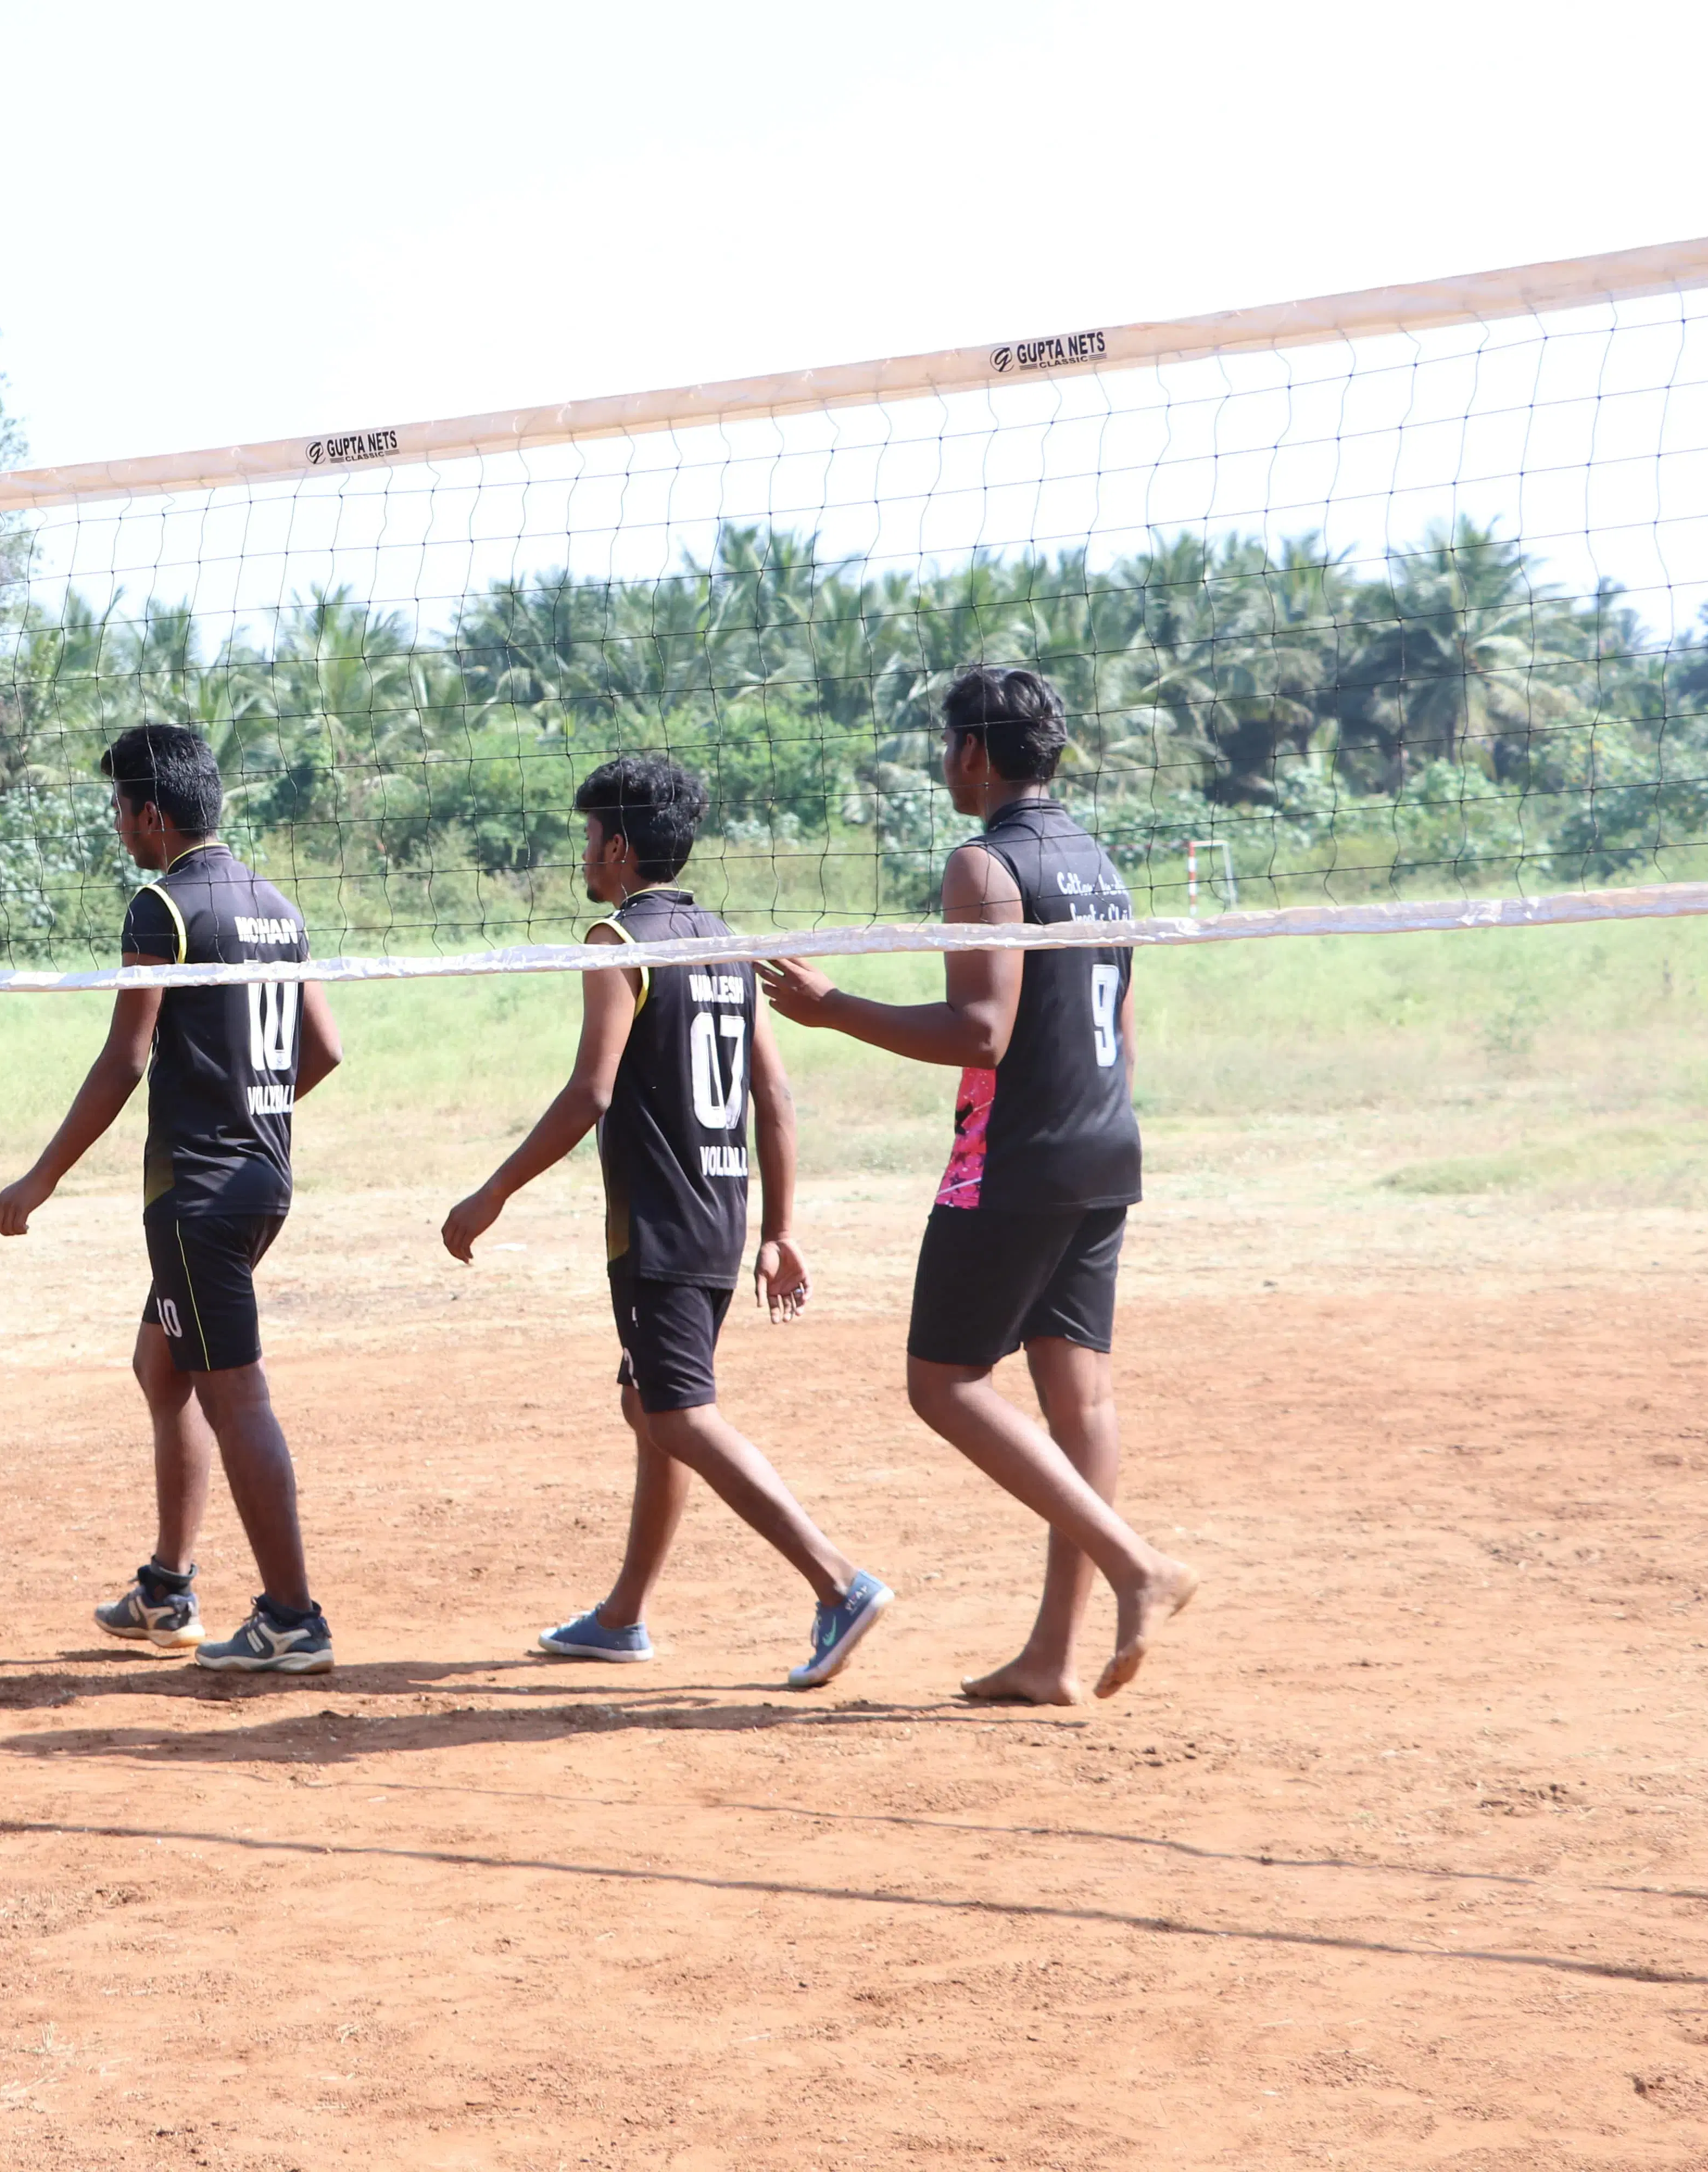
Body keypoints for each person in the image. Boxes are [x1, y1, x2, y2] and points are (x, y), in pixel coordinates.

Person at [759, 665, 1199, 1702]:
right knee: (1077, 1395)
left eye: (948, 741)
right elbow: (1121, 1021)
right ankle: (1052, 1657)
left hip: (1020, 1158)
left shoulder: (984, 865)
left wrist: (834, 1010)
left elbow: (983, 1034)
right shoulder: (1098, 862)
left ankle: (1140, 1568)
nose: (942, 760)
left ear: (974, 753)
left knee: (944, 1383)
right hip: (1104, 1146)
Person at [441, 754, 893, 1684]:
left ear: (619, 846)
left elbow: (590, 1092)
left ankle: (837, 1581)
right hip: (721, 1217)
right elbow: (774, 1094)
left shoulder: (617, 942)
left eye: (589, 839)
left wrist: (492, 1193)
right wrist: (779, 1227)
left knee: (679, 1411)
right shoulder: (724, 942)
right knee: (649, 1401)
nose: (584, 857)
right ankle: (624, 1615)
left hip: (658, 1223)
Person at [0, 724, 343, 1674]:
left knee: (236, 1395)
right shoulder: (276, 906)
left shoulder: (162, 907)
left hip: (199, 1193)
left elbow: (126, 1058)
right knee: (162, 1364)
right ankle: (167, 1588)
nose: (117, 827)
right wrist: (252, 1108)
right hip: (264, 1178)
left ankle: (292, 1618)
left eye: (118, 810)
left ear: (151, 815)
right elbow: (327, 1050)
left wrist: (41, 1178)